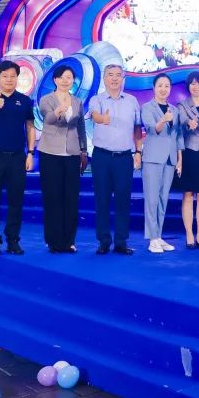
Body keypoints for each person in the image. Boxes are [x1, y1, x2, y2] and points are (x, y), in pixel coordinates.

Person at [0, 60, 36, 255]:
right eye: (5, 76)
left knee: (16, 201)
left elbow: (30, 126)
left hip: (17, 158)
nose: (9, 79)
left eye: (12, 76)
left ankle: (13, 240)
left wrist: (31, 153)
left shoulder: (24, 100)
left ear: (17, 78)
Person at [88, 64, 142, 255]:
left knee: (123, 200)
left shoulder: (132, 101)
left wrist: (138, 151)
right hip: (101, 157)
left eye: (118, 75)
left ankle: (121, 241)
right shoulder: (97, 99)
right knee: (101, 199)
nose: (114, 78)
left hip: (124, 158)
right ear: (104, 78)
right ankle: (103, 241)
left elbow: (137, 128)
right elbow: (95, 116)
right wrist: (102, 119)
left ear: (123, 79)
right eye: (110, 75)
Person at [36, 65, 87, 254]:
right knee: (52, 197)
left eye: (70, 78)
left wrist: (83, 150)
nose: (66, 81)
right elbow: (48, 119)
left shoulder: (77, 101)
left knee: (71, 198)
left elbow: (81, 127)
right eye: (63, 77)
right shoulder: (46, 99)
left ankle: (69, 241)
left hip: (72, 154)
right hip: (50, 153)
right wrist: (58, 111)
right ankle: (53, 241)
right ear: (55, 80)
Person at [141, 73, 182, 253]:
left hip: (170, 159)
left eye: (166, 86)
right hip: (153, 158)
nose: (163, 89)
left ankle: (158, 235)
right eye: (160, 86)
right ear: (154, 88)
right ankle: (152, 239)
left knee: (162, 198)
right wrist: (163, 120)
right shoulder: (147, 107)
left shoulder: (174, 110)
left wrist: (180, 159)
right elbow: (152, 129)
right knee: (151, 199)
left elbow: (178, 135)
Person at [176, 71, 199, 249]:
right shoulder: (182, 106)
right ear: (188, 86)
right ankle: (189, 234)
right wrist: (188, 124)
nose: (196, 87)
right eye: (192, 83)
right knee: (188, 194)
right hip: (190, 152)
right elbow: (181, 125)